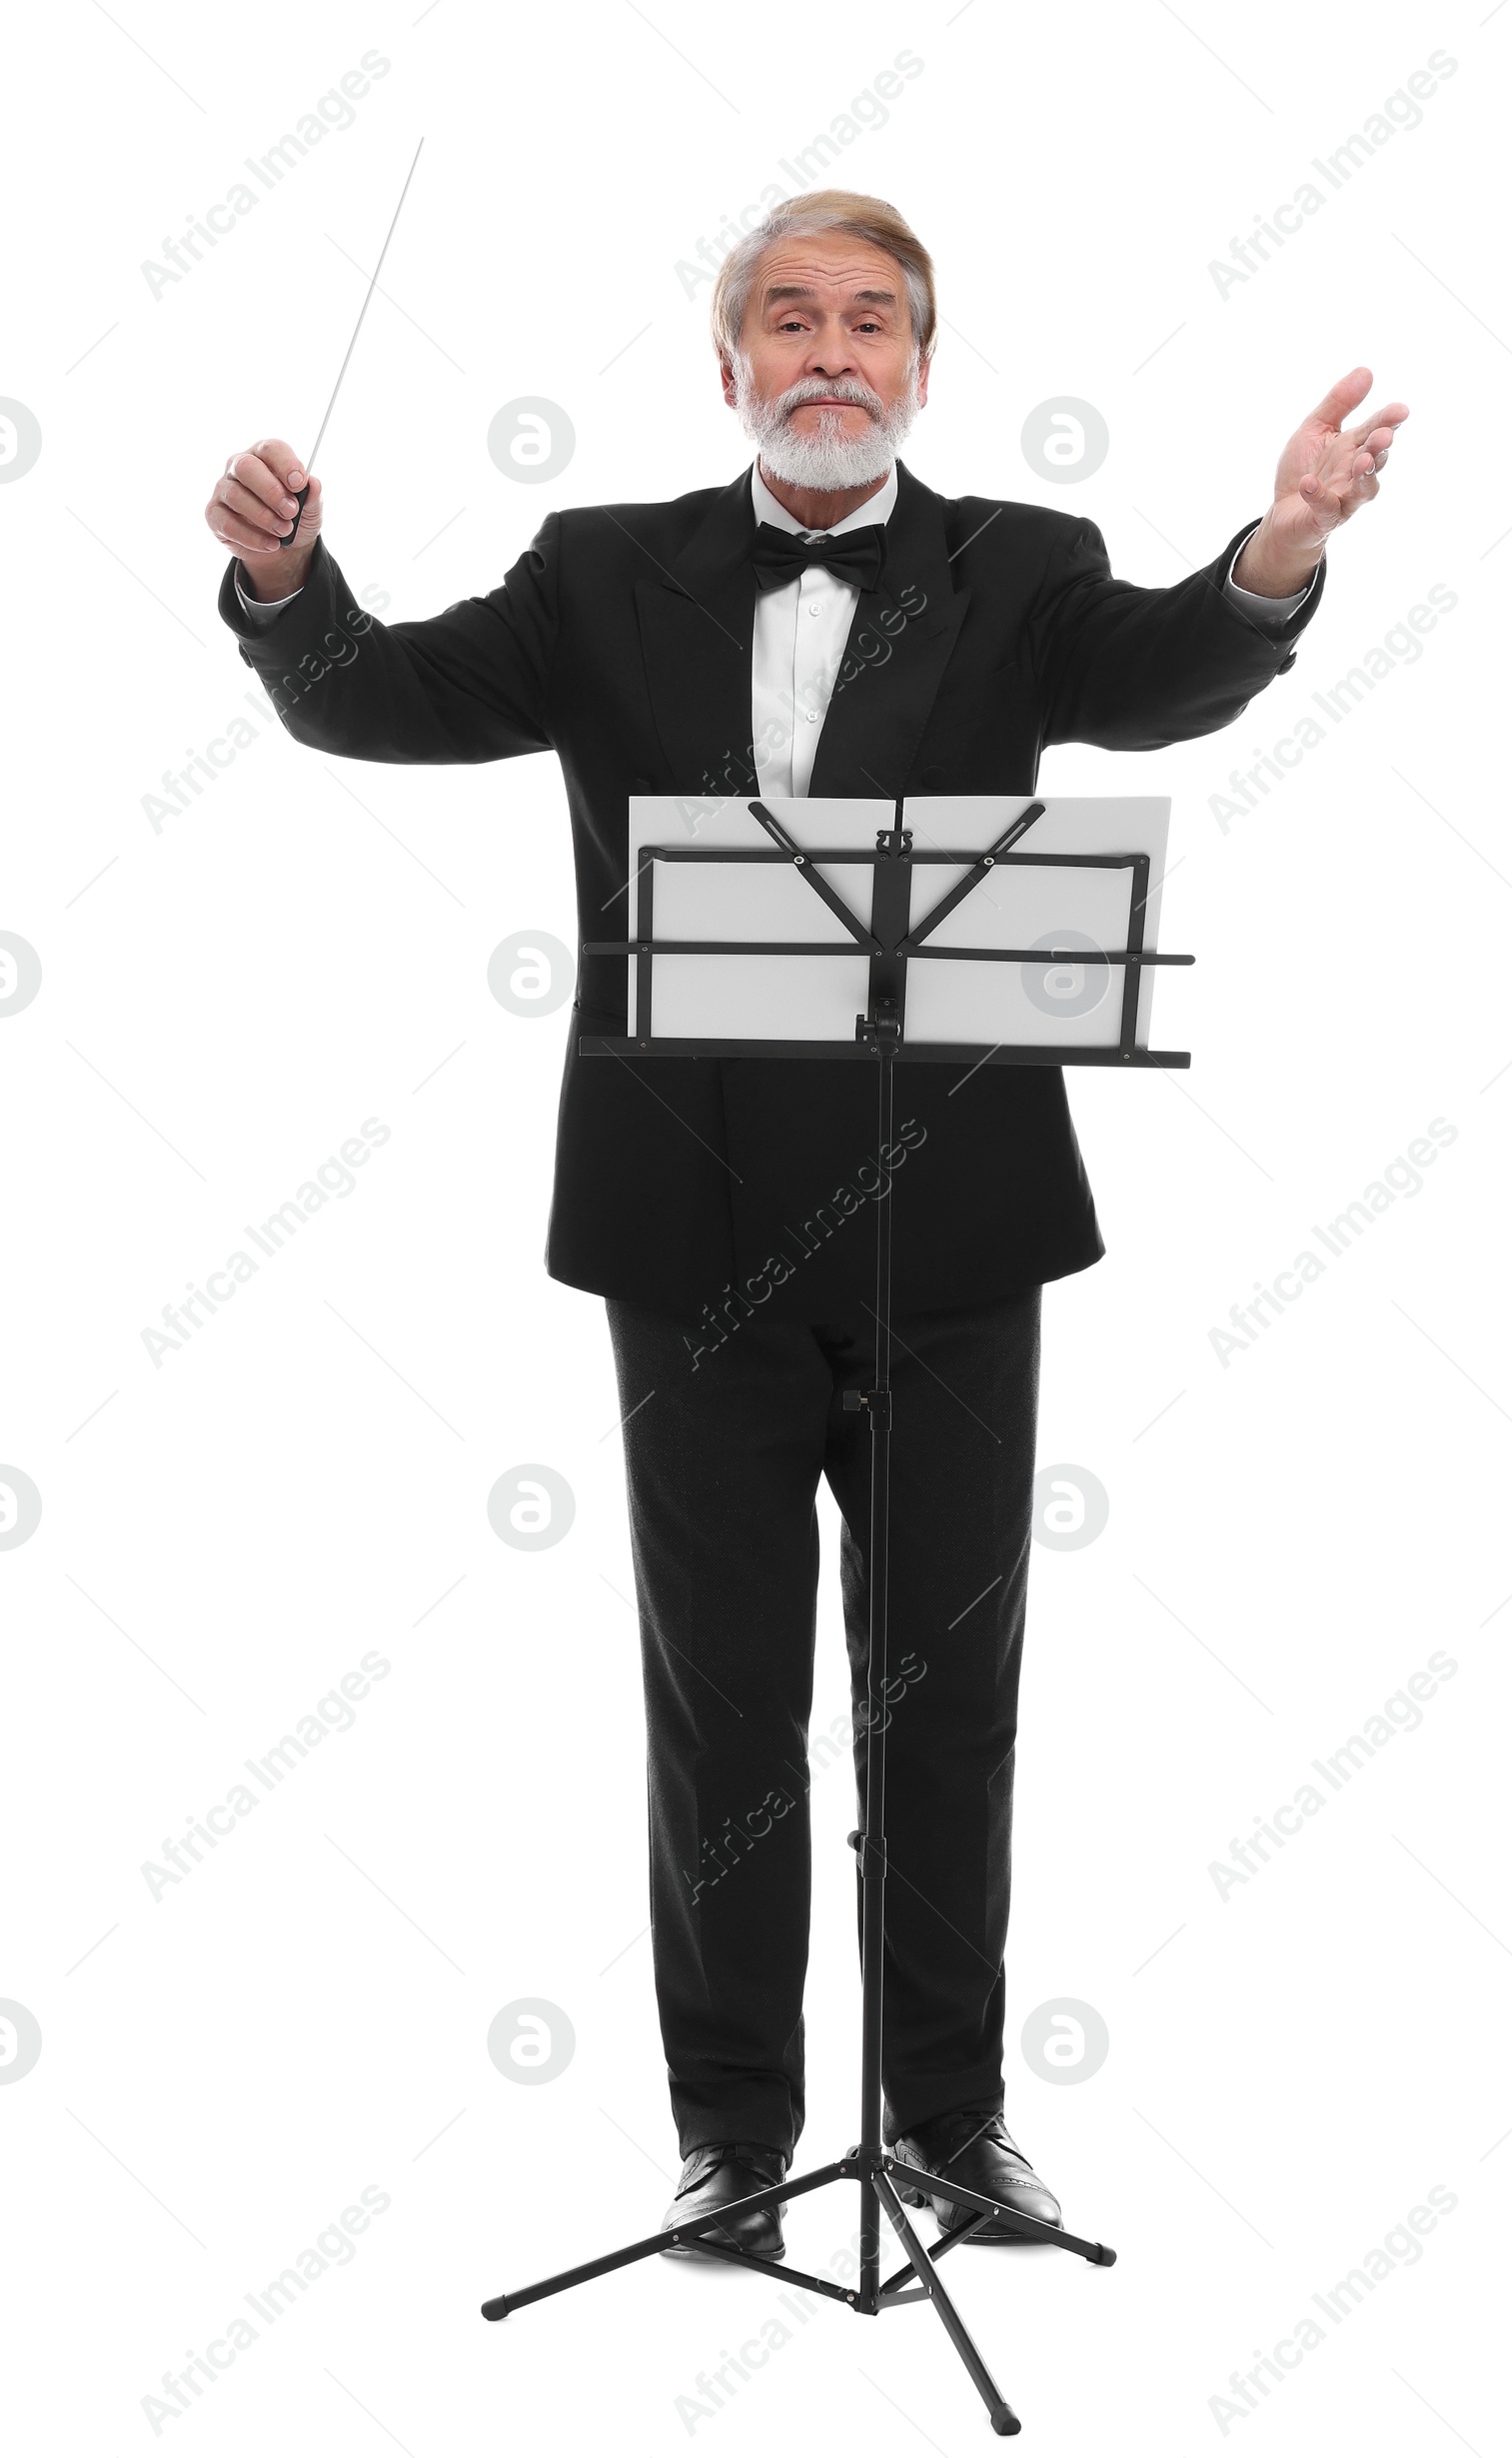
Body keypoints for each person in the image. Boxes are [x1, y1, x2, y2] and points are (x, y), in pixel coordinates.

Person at [205, 188, 1404, 2260]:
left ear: (922, 369)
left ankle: (944, 2120)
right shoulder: (596, 571)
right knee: (723, 1702)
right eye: (789, 318)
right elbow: (374, 701)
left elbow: (1160, 680)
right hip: (686, 1239)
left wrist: (1275, 547)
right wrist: (289, 582)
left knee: (946, 1688)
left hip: (953, 1237)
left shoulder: (1014, 566)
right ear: (731, 365)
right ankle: (733, 2143)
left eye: (871, 320)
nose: (831, 350)